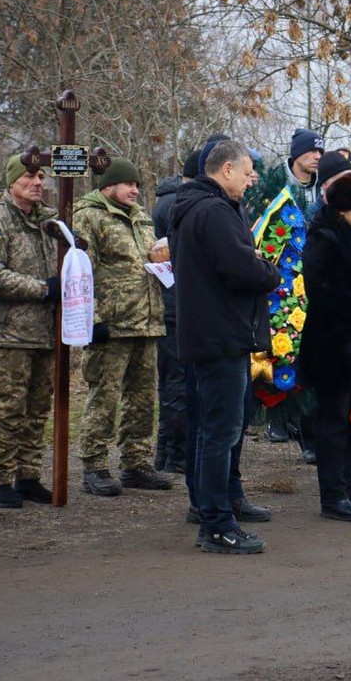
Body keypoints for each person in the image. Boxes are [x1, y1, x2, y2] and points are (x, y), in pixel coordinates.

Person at [171, 139, 281, 553]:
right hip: (220, 335)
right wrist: (267, 269)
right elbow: (241, 267)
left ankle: (212, 506)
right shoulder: (213, 211)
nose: (251, 181)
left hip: (208, 332)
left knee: (211, 429)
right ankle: (216, 523)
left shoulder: (195, 207)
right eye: (247, 171)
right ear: (227, 169)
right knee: (222, 431)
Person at [73, 157, 174, 495]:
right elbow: (81, 273)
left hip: (146, 322)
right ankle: (94, 465)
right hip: (112, 325)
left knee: (143, 398)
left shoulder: (143, 219)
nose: (135, 190)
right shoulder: (88, 217)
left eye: (137, 185)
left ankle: (136, 463)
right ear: (108, 187)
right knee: (104, 397)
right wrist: (95, 319)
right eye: (128, 184)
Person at [0, 156, 59, 508]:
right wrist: (42, 288)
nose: (38, 182)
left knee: (38, 409)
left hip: (45, 332)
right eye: (29, 176)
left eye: (41, 176)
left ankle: (28, 474)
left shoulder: (50, 221)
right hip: (7, 333)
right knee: (8, 408)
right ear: (11, 182)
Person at [298, 171, 351, 522]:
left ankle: (349, 488)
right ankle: (332, 495)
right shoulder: (323, 237)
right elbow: (320, 290)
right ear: (342, 208)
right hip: (330, 344)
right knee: (333, 421)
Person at [151, 149, 201, 473]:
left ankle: (165, 453)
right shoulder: (177, 205)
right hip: (174, 303)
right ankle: (176, 456)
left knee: (172, 383)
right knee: (177, 384)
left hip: (173, 302)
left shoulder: (168, 200)